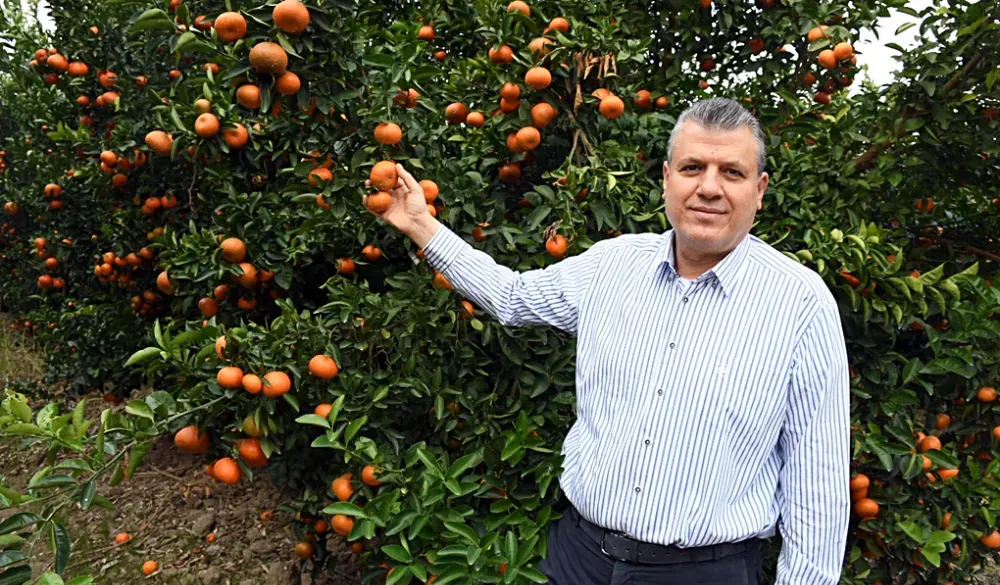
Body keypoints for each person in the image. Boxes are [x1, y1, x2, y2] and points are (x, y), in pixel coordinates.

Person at [363, 97, 850, 585]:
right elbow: (512, 297)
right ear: (666, 179)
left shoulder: (800, 304)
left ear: (759, 190)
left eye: (732, 173)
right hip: (579, 559)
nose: (708, 187)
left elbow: (817, 484)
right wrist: (422, 226)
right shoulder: (610, 266)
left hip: (704, 571)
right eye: (692, 167)